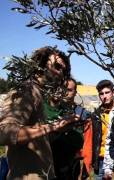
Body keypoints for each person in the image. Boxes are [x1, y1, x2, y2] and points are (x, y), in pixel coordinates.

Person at [0, 46, 80, 179]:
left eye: (63, 71)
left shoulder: (39, 94)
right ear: (40, 64)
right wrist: (53, 126)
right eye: (57, 66)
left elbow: (35, 138)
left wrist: (58, 129)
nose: (60, 73)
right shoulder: (26, 91)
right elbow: (4, 131)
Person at [45, 78, 89, 180]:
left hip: (70, 164)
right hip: (50, 162)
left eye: (69, 90)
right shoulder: (54, 110)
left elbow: (81, 140)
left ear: (75, 92)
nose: (65, 92)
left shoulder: (82, 113)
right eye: (63, 89)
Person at [84, 80, 114, 179]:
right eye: (101, 94)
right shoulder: (96, 115)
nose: (104, 96)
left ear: (113, 93)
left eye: (107, 92)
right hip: (101, 159)